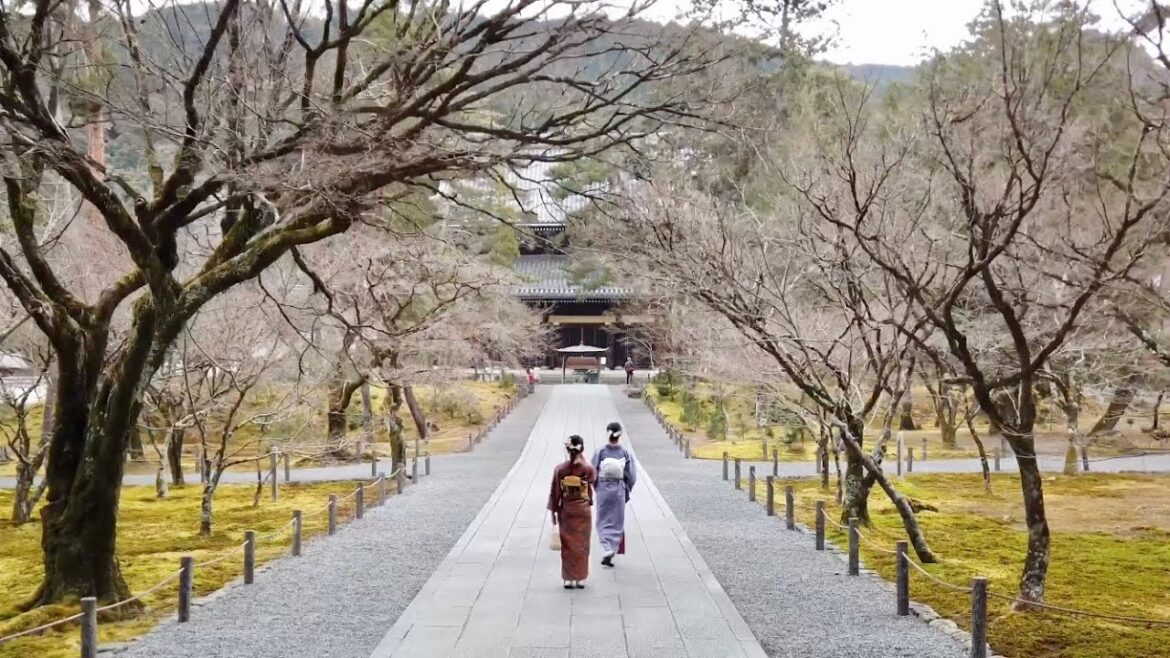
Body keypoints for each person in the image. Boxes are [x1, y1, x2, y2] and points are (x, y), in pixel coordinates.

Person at [548, 435, 596, 589]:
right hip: (583, 510)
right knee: (582, 544)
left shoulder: (560, 469)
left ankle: (568, 579)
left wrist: (554, 513)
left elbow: (555, 492)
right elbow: (592, 486)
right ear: (582, 448)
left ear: (568, 450)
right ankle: (581, 578)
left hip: (567, 509)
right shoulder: (588, 469)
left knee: (568, 545)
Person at [592, 421, 636, 567]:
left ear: (608, 433)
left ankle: (606, 546)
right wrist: (626, 488)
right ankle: (613, 546)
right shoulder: (625, 453)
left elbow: (593, 471)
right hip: (618, 488)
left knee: (602, 518)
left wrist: (596, 486)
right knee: (617, 519)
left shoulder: (601, 452)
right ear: (620, 435)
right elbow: (631, 475)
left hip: (603, 487)